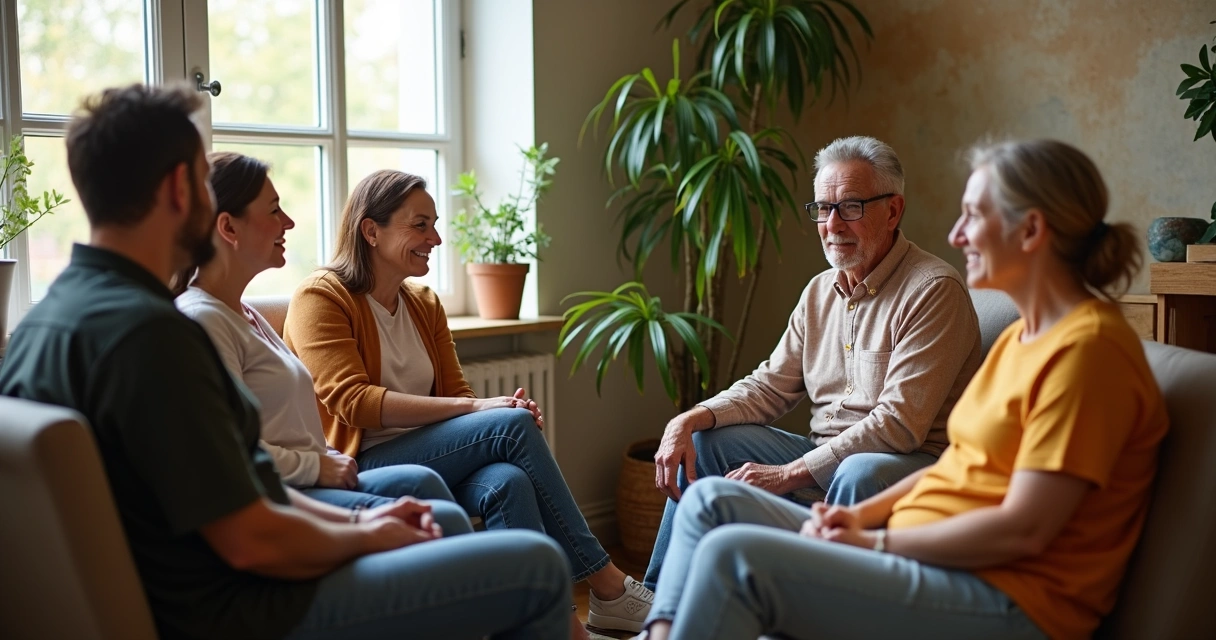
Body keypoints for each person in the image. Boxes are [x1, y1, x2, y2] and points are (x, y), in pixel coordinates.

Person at [0, 83, 572, 640]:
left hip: (200, 584)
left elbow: (242, 486)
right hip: (241, 605)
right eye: (204, 179)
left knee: (431, 518)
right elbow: (251, 540)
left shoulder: (48, 322)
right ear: (181, 188)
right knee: (537, 567)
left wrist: (357, 520)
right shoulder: (152, 336)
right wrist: (364, 534)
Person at [634, 139, 1168, 640]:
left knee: (736, 556)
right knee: (709, 500)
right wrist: (857, 517)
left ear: (1030, 231)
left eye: (973, 215)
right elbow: (959, 467)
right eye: (823, 208)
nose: (957, 234)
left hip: (1006, 594)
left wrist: (873, 542)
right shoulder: (1023, 340)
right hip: (929, 554)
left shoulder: (1087, 352)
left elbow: (1024, 531)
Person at [283, 169, 652, 634]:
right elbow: (352, 401)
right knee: (510, 426)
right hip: (362, 463)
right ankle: (606, 583)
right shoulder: (321, 296)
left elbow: (459, 394)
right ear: (371, 230)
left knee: (508, 480)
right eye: (420, 224)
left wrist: (490, 410)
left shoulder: (424, 302)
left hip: (435, 454)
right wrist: (485, 414)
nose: (435, 238)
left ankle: (556, 624)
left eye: (434, 224)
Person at [644, 135, 983, 590]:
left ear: (893, 210)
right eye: (823, 208)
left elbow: (899, 426)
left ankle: (815, 606)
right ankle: (660, 598)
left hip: (905, 465)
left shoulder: (934, 289)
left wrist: (788, 475)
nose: (832, 223)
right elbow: (769, 387)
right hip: (823, 456)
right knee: (706, 442)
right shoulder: (820, 290)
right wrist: (690, 418)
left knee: (858, 470)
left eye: (851, 207)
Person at [174, 151, 468, 534]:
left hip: (316, 474)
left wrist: (324, 456)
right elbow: (225, 455)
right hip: (293, 489)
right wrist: (320, 466)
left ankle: (546, 585)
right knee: (448, 477)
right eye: (275, 210)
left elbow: (296, 429)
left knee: (497, 475)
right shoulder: (203, 319)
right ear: (228, 228)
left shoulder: (245, 315)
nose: (289, 222)